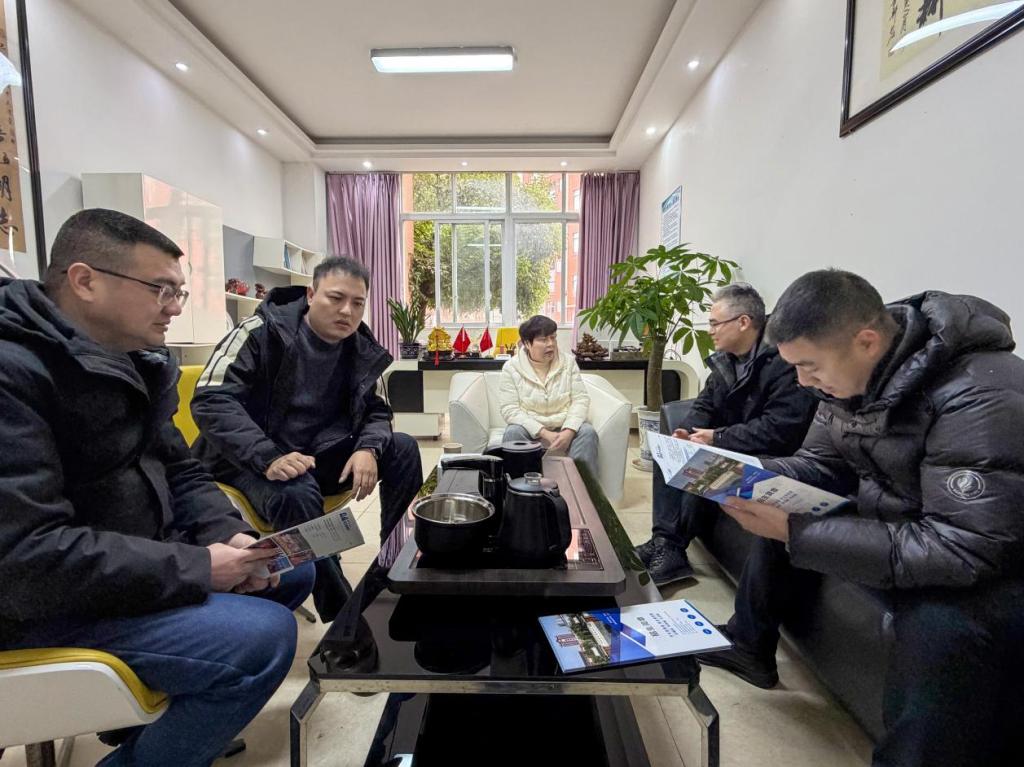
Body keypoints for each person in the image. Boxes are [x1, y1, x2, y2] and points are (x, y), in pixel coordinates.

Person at [0, 208, 314, 767]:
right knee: (261, 638)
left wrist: (230, 535)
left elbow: (181, 469)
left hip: (130, 563)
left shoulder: (134, 361)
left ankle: (152, 727)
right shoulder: (14, 373)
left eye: (179, 292)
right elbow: (26, 556)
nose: (175, 307)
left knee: (290, 568)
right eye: (160, 289)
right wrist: (198, 567)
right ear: (85, 280)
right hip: (39, 606)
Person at [698, 270, 1024, 767]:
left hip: (985, 562)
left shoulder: (979, 395)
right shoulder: (845, 383)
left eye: (809, 366)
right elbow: (818, 464)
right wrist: (745, 475)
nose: (803, 382)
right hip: (904, 520)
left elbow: (962, 548)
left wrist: (796, 532)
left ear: (866, 341)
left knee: (940, 631)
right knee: (783, 507)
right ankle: (750, 645)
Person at [191, 256, 422, 622]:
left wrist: (367, 448)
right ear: (311, 294)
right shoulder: (260, 331)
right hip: (250, 459)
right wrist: (268, 456)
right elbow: (211, 399)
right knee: (297, 492)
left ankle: (392, 566)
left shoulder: (361, 348)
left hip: (319, 455)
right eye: (336, 298)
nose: (347, 311)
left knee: (403, 448)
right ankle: (342, 614)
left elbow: (379, 412)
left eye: (358, 303)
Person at [635, 284, 816, 585]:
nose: (710, 331)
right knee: (668, 451)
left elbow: (780, 429)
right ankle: (664, 541)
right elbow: (705, 403)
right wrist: (685, 432)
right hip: (735, 442)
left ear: (743, 322)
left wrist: (717, 438)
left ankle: (672, 549)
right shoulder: (726, 360)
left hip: (770, 453)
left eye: (715, 323)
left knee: (705, 464)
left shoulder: (784, 360)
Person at [498, 315, 599, 478]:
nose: (550, 344)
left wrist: (569, 430)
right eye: (543, 340)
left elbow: (580, 399)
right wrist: (543, 432)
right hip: (531, 429)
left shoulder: (568, 363)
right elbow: (509, 409)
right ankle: (519, 490)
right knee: (513, 433)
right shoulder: (511, 368)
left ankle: (581, 490)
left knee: (588, 432)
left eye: (553, 338)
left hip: (564, 424)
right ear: (527, 343)